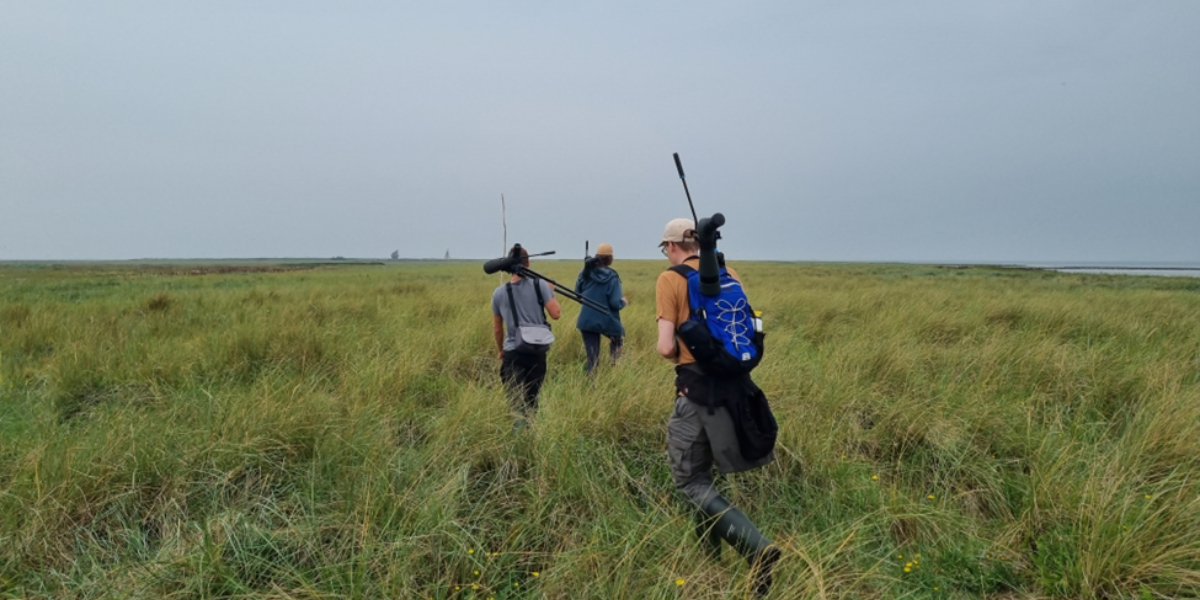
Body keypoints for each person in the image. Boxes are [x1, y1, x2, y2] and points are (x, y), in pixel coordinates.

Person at [655, 218, 781, 596]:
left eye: (665, 248)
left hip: (696, 395)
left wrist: (683, 352)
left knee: (689, 480)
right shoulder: (731, 274)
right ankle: (709, 562)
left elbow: (665, 347)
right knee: (703, 478)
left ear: (672, 246)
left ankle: (757, 549)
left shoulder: (669, 279)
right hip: (735, 389)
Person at [492, 245, 562, 418]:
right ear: (528, 263)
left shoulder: (498, 293)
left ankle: (517, 427)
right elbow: (556, 314)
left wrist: (500, 350)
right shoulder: (540, 285)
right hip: (537, 350)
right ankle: (531, 427)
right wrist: (550, 291)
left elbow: (497, 329)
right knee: (532, 397)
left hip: (512, 351)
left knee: (514, 398)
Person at [574, 242, 628, 374]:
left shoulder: (585, 273)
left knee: (592, 358)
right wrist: (623, 302)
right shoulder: (613, 277)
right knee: (617, 339)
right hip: (607, 319)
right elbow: (615, 303)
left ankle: (591, 380)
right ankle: (615, 369)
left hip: (586, 320)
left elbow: (577, 293)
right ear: (610, 259)